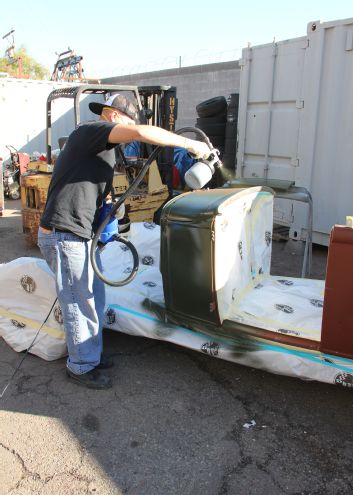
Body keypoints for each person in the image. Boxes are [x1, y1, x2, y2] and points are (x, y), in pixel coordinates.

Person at [37, 93, 211, 390]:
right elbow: (144, 132)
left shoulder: (105, 151)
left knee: (95, 295)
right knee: (79, 301)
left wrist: (107, 226)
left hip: (82, 234)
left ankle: (89, 351)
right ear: (115, 117)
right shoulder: (90, 131)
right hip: (63, 233)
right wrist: (190, 143)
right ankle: (80, 365)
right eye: (129, 123)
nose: (131, 133)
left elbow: (102, 195)